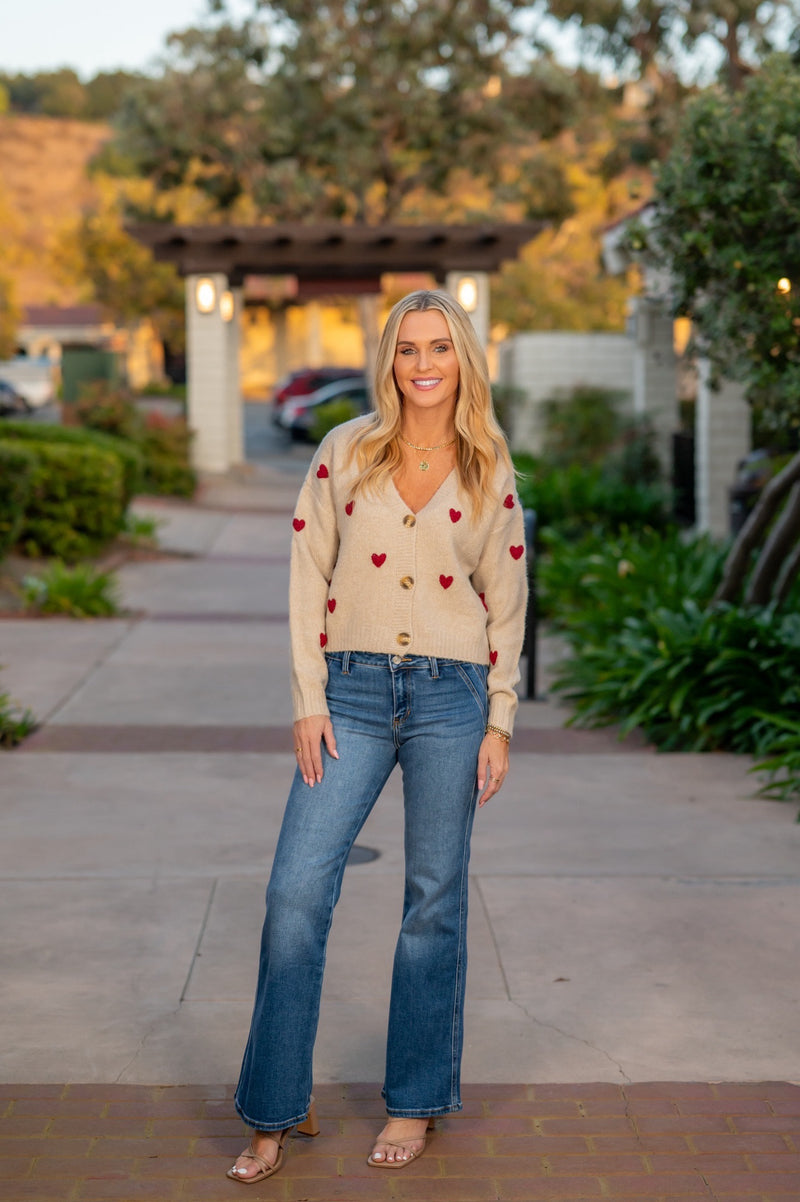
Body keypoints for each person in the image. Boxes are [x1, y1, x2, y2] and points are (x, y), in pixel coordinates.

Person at [227, 288, 527, 1184]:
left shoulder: (488, 464)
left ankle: (414, 1102)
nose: (424, 364)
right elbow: (305, 572)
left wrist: (501, 718)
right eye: (408, 349)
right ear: (388, 360)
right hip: (350, 695)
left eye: (440, 347)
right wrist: (308, 698)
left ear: (462, 359)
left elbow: (507, 603)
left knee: (432, 902)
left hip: (452, 696)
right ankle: (278, 1106)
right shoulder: (343, 451)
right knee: (295, 895)